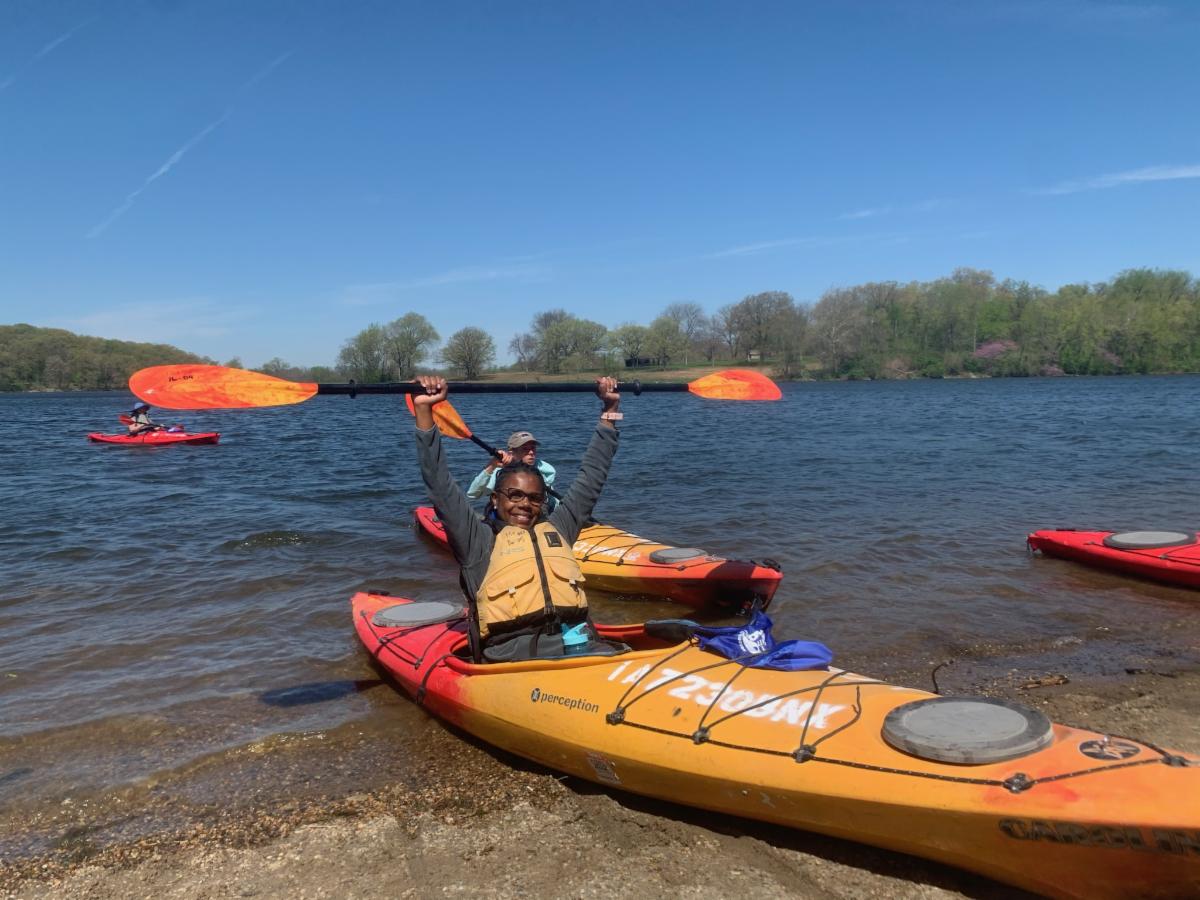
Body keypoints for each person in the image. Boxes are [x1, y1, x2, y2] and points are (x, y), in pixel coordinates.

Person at [413, 374, 626, 662]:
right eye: (514, 495)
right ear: (495, 498)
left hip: (578, 651)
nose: (525, 504)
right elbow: (439, 485)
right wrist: (425, 411)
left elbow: (592, 478)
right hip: (512, 664)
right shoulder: (477, 541)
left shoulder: (558, 528)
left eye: (534, 498)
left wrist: (609, 411)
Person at [467, 431, 557, 513]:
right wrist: (491, 466)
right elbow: (473, 494)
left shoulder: (543, 469)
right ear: (512, 452)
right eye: (525, 449)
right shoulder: (500, 473)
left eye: (533, 448)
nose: (531, 452)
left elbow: (552, 500)